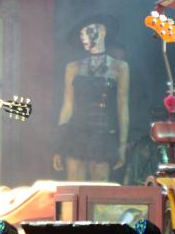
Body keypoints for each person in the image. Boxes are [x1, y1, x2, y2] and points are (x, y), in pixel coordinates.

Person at [53, 13, 129, 182]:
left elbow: (123, 108)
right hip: (76, 134)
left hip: (103, 136)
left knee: (99, 191)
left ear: (102, 32)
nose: (83, 37)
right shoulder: (73, 67)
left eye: (87, 31)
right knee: (74, 190)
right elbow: (67, 106)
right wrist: (59, 146)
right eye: (81, 34)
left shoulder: (119, 68)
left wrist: (122, 146)